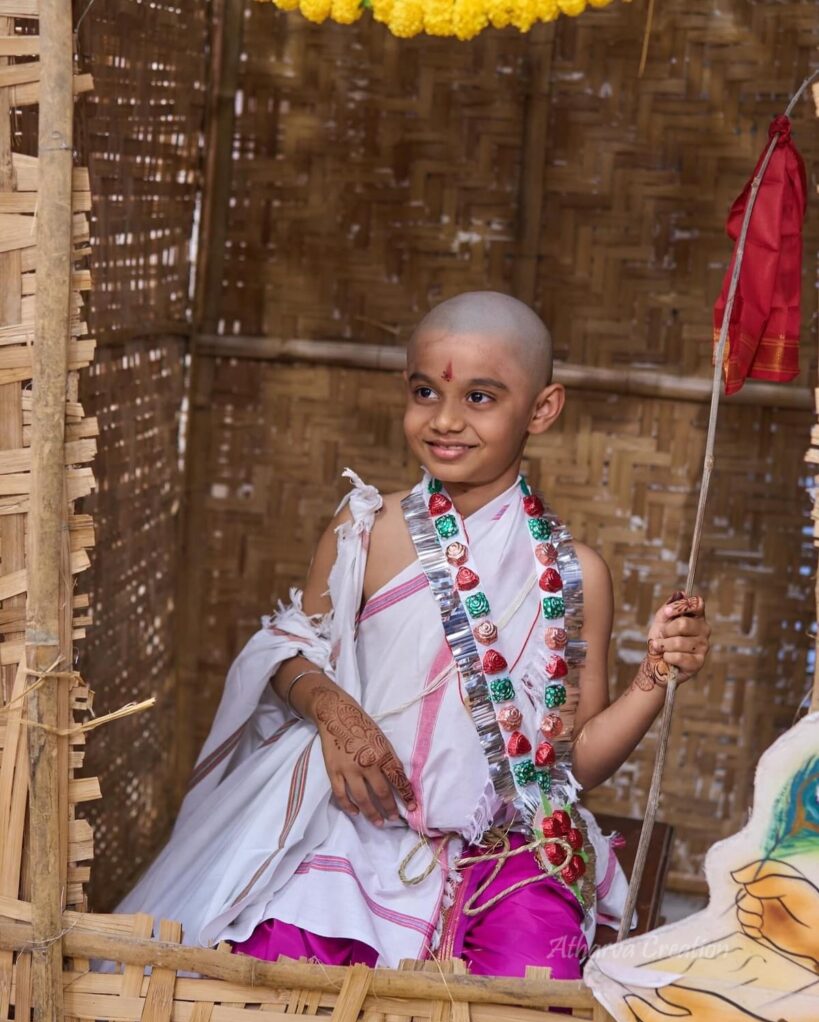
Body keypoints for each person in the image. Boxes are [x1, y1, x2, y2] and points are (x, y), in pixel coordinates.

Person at [118, 291, 711, 979]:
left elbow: (571, 763)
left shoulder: (573, 575)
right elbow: (287, 651)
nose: (445, 419)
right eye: (426, 391)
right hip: (349, 826)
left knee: (533, 991)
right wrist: (332, 711)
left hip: (509, 852)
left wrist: (653, 680)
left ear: (542, 409)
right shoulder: (367, 529)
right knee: (280, 973)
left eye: (480, 397)